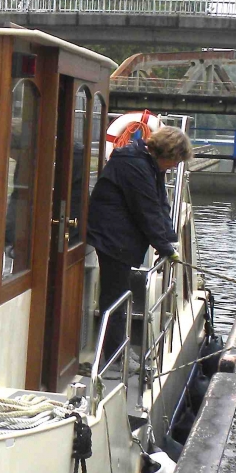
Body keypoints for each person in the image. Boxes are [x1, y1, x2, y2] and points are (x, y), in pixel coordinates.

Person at [86, 124, 194, 366]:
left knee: (120, 295)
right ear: (168, 153)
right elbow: (145, 209)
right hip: (112, 238)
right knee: (115, 298)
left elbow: (159, 204)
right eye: (176, 161)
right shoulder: (134, 165)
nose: (176, 166)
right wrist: (165, 248)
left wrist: (169, 239)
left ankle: (118, 354)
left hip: (120, 237)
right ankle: (115, 359)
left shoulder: (147, 163)